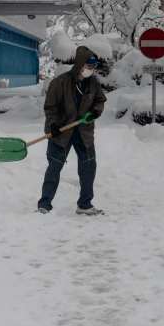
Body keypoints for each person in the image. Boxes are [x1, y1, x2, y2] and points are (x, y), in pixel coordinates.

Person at [37, 45, 107, 215]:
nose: (91, 69)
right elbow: (50, 107)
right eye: (89, 66)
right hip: (61, 131)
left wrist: (95, 112)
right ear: (80, 65)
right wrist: (54, 125)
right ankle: (44, 205)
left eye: (93, 66)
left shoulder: (93, 84)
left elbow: (100, 101)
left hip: (84, 132)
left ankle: (84, 204)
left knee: (89, 167)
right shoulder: (60, 82)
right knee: (54, 167)